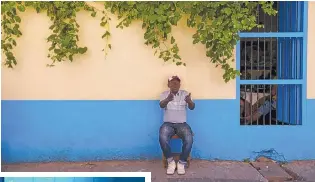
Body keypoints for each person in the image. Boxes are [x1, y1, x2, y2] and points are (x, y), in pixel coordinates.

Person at [159, 75, 195, 175]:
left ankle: (181, 163)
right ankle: (170, 162)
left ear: (180, 84)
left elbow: (192, 107)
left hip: (182, 124)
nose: (175, 84)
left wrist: (189, 101)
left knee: (189, 138)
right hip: (168, 124)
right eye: (172, 82)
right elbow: (161, 105)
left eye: (177, 82)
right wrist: (167, 99)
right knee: (162, 136)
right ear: (168, 84)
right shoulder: (164, 94)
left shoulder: (185, 94)